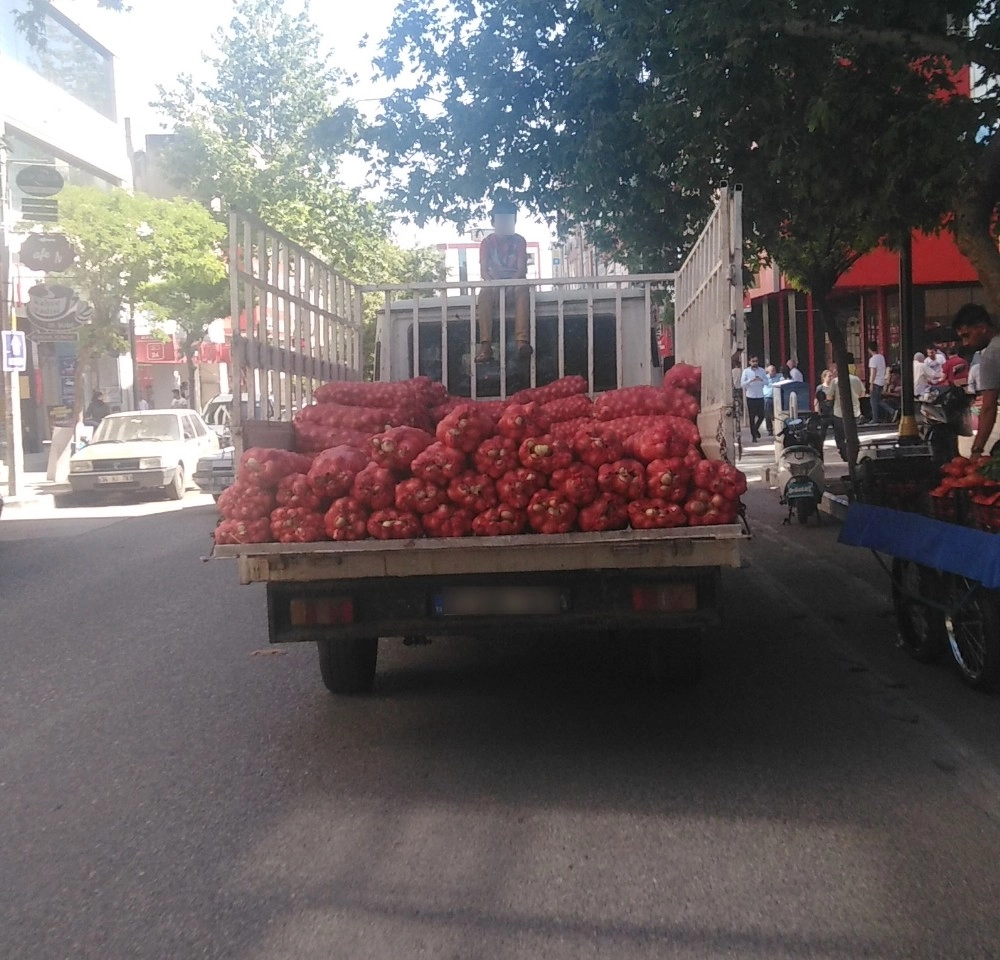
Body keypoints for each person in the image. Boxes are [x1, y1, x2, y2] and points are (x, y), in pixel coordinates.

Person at [475, 199, 530, 363]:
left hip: (515, 284)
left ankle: (522, 341)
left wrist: (509, 286)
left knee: (523, 290)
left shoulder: (520, 241)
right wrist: (495, 286)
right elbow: (484, 271)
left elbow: (521, 270)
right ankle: (486, 345)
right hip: (494, 285)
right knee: (483, 294)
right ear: (493, 222)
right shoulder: (486, 243)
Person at [953, 303, 1000, 458]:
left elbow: (989, 407)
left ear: (982, 327)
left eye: (967, 335)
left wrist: (977, 449)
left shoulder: (992, 354)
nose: (966, 343)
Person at [826, 370, 866, 461]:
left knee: (840, 436)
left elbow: (829, 397)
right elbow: (862, 393)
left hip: (839, 412)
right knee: (853, 433)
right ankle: (855, 453)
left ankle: (845, 455)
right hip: (855, 412)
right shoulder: (856, 379)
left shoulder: (835, 381)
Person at [740, 355, 768, 442]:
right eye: (753, 361)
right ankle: (753, 436)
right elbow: (742, 384)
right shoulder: (746, 371)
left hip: (760, 396)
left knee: (762, 415)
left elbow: (767, 382)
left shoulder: (762, 371)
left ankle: (755, 429)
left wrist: (761, 380)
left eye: (756, 361)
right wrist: (750, 380)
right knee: (752, 417)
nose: (755, 363)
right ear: (749, 362)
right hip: (751, 396)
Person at [866, 341, 894, 424]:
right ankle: (891, 411)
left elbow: (873, 372)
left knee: (873, 401)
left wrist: (871, 383)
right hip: (881, 381)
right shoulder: (881, 357)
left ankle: (875, 418)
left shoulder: (872, 359)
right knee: (878, 400)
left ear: (869, 349)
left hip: (876, 382)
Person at [762, 363, 781, 437]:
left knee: (778, 414)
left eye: (774, 370)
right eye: (772, 371)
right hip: (768, 398)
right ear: (768, 372)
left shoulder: (779, 377)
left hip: (777, 398)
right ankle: (769, 429)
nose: (773, 372)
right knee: (768, 414)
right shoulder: (765, 378)